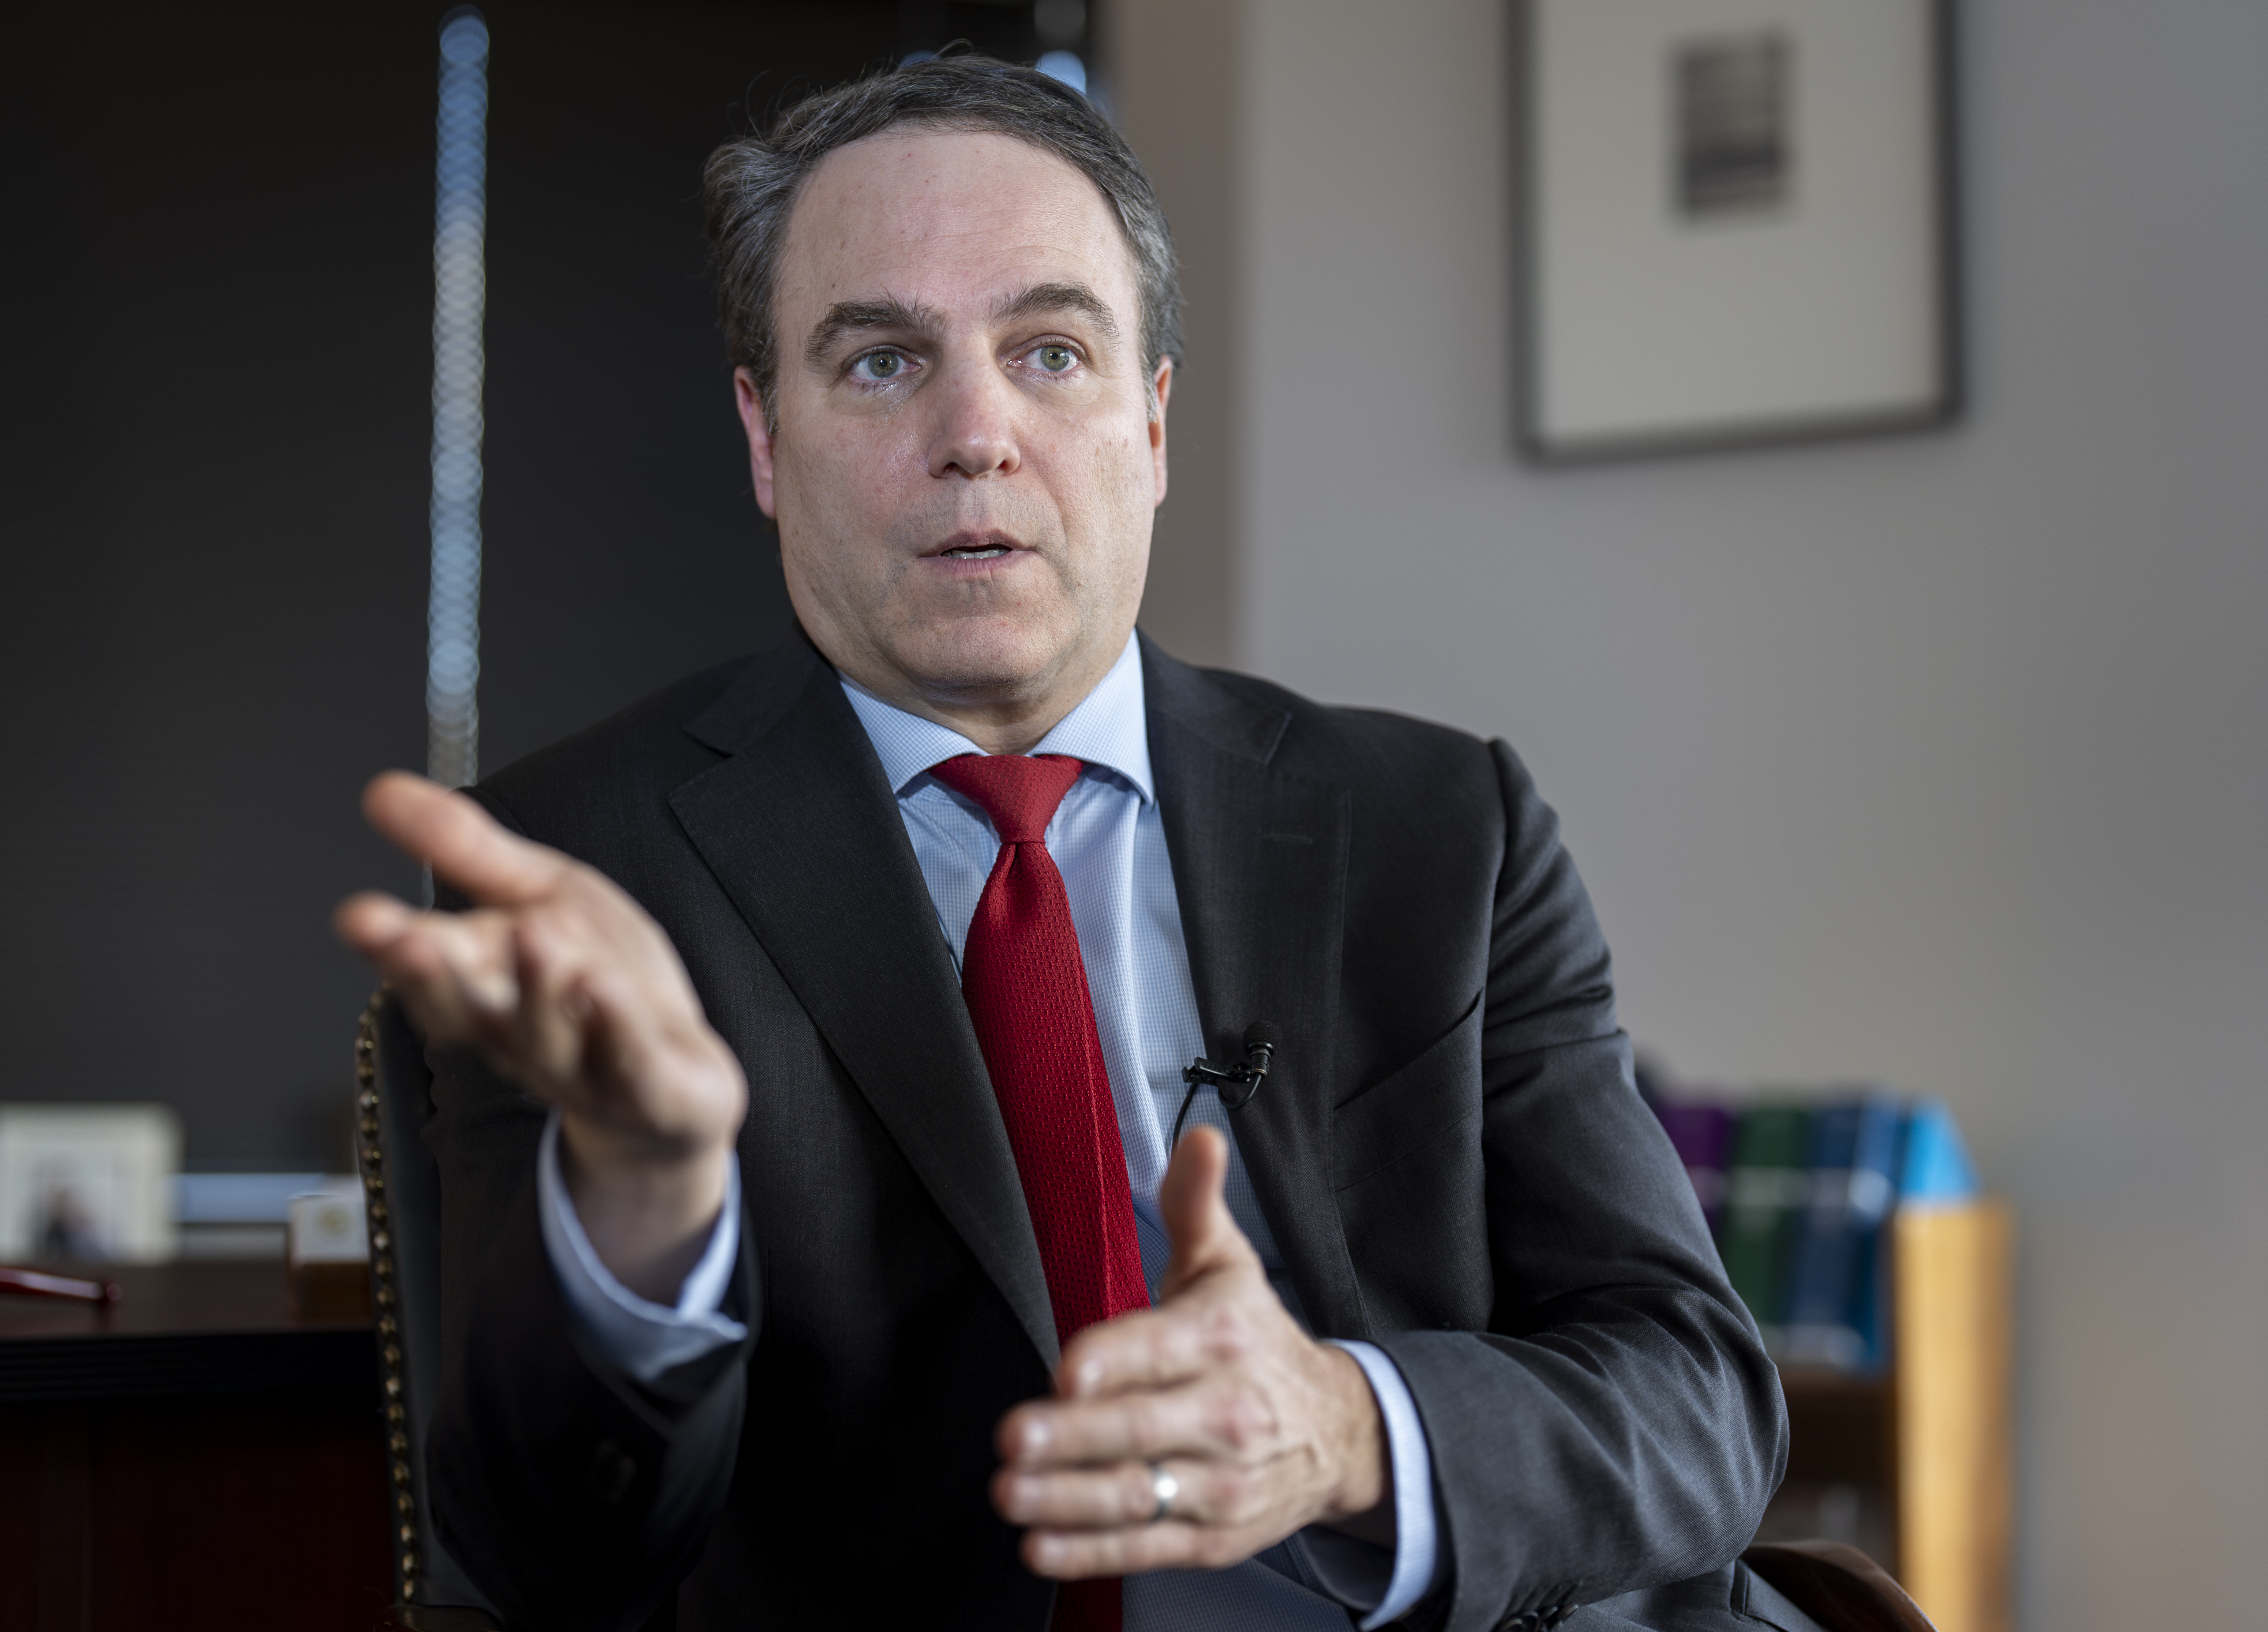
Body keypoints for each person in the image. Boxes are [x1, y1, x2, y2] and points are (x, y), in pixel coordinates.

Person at [337, 56, 1807, 1632]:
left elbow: (1695, 1397)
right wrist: (643, 1193)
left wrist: (1345, 1428)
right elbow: (541, 1559)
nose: (978, 433)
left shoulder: (1443, 832)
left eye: (1049, 350)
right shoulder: (582, 862)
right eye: (883, 363)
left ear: (1154, 422)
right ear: (766, 442)